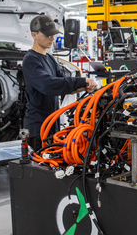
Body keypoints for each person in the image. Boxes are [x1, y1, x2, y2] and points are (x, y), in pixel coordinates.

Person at [22, 15, 97, 151]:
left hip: (52, 123)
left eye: (53, 35)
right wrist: (81, 80)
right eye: (47, 35)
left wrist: (84, 87)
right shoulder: (31, 60)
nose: (52, 38)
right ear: (34, 34)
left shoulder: (50, 58)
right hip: (38, 127)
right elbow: (48, 85)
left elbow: (62, 84)